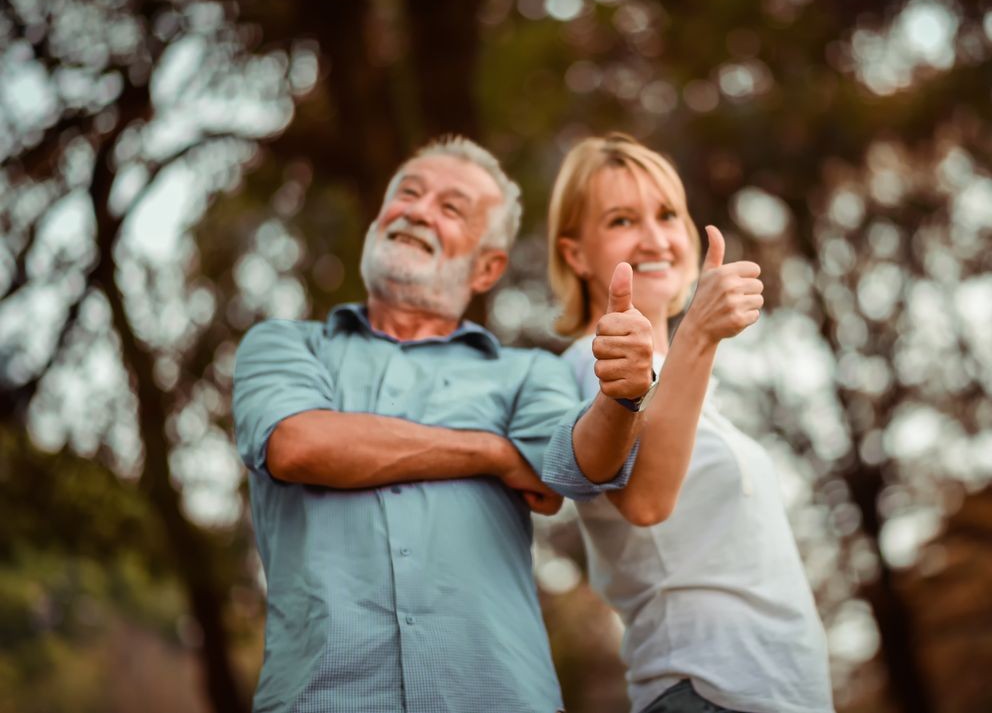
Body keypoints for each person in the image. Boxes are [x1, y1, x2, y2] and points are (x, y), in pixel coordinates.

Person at [232, 135, 659, 712]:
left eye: (450, 207)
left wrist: (624, 397)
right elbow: (299, 445)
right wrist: (494, 453)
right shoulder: (284, 344)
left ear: (488, 268)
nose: (418, 210)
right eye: (407, 194)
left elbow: (579, 465)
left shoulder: (527, 372)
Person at [548, 133, 835, 713]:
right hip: (703, 693)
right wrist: (699, 334)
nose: (654, 238)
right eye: (623, 220)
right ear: (576, 255)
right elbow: (648, 500)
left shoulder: (696, 389)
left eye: (667, 215)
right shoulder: (588, 365)